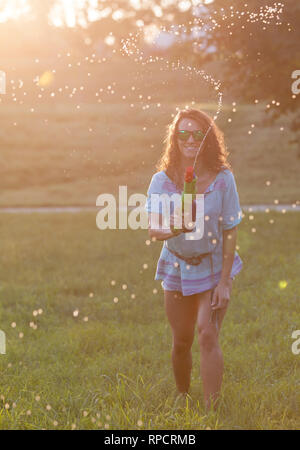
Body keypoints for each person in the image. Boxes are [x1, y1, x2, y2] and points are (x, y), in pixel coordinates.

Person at [144, 108, 243, 410]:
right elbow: (154, 230)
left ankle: (212, 413)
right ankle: (183, 396)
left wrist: (224, 282)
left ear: (207, 139)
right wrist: (177, 225)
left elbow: (230, 230)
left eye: (197, 133)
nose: (189, 139)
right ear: (174, 139)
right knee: (182, 341)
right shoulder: (162, 181)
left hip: (213, 266)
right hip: (176, 264)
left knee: (207, 334)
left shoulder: (223, 179)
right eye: (182, 133)